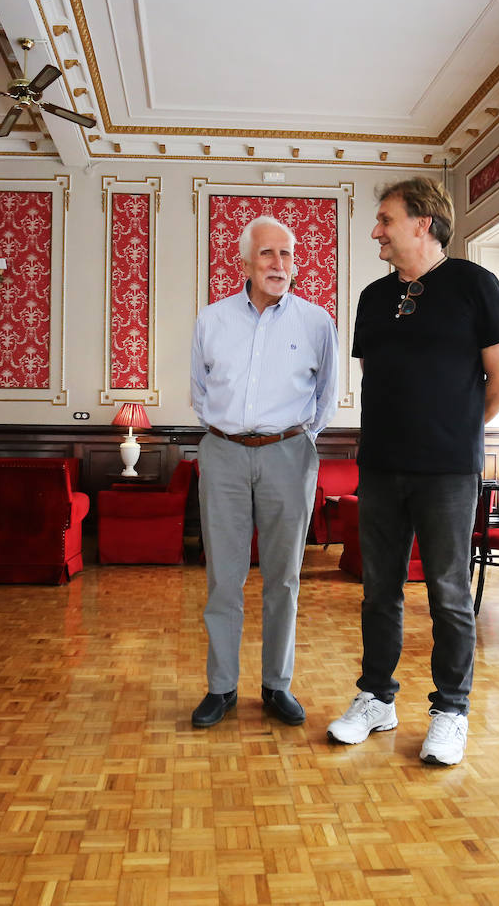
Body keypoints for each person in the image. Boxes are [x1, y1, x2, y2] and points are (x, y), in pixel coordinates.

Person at [326, 178, 499, 765]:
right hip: (380, 468)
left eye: (385, 219)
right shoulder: (372, 299)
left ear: (422, 223)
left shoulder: (476, 286)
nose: (376, 231)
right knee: (378, 593)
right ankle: (376, 699)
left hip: (446, 474)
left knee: (448, 595)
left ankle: (450, 711)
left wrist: (455, 436)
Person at [189, 215, 339, 728]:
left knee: (284, 580)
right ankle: (221, 688)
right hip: (223, 453)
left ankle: (276, 685)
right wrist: (233, 434)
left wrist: (294, 442)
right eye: (269, 254)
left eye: (288, 254)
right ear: (245, 261)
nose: (280, 264)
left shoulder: (317, 322)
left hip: (288, 454)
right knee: (223, 580)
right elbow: (199, 392)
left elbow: (325, 400)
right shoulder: (211, 320)